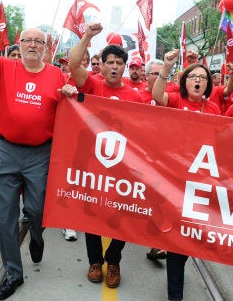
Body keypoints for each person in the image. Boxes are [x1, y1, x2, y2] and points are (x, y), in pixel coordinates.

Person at [0, 9, 66, 300]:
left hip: (40, 154)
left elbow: (70, 108)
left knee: (37, 209)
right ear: (19, 44)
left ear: (46, 47)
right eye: (27, 40)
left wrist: (68, 92)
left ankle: (37, 237)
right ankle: (13, 273)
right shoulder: (4, 66)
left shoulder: (56, 74)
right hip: (5, 149)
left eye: (38, 41)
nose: (32, 45)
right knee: (4, 216)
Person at [65, 22, 142, 289]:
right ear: (103, 64)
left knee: (121, 213)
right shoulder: (93, 85)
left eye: (119, 63)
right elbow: (74, 65)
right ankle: (95, 261)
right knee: (91, 211)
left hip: (123, 166)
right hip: (92, 162)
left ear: (124, 66)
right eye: (109, 62)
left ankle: (114, 259)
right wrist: (87, 35)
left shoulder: (135, 96)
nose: (114, 67)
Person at [151, 50, 220, 301]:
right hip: (174, 180)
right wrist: (166, 68)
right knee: (177, 241)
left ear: (207, 84)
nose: (198, 80)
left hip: (200, 183)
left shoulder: (213, 108)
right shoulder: (175, 99)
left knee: (192, 238)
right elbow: (157, 96)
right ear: (185, 82)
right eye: (193, 77)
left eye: (202, 77)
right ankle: (175, 295)